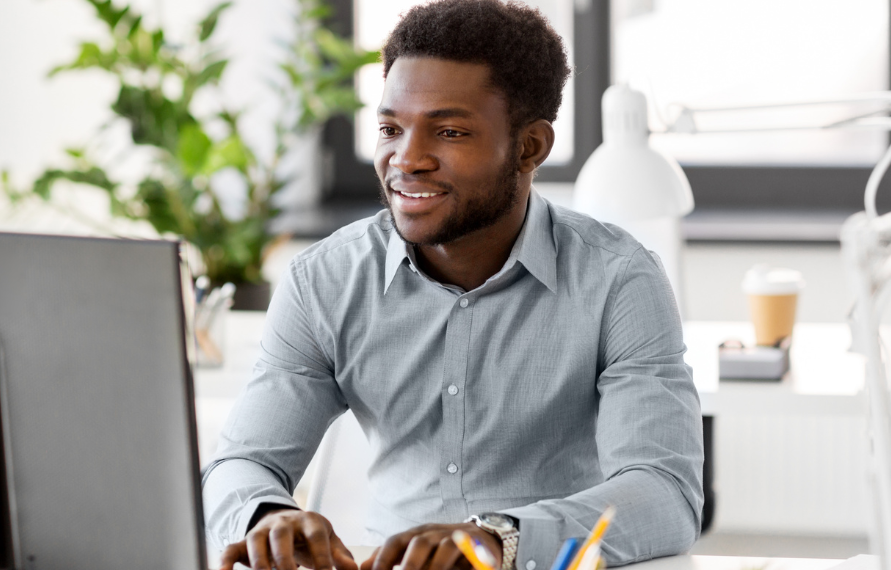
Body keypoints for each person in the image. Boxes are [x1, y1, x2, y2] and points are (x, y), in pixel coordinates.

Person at [202, 1, 703, 569]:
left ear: (530, 146)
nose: (406, 159)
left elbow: (665, 493)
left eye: (449, 131)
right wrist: (267, 516)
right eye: (391, 128)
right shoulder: (325, 280)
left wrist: (499, 540)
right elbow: (240, 463)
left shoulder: (619, 279)